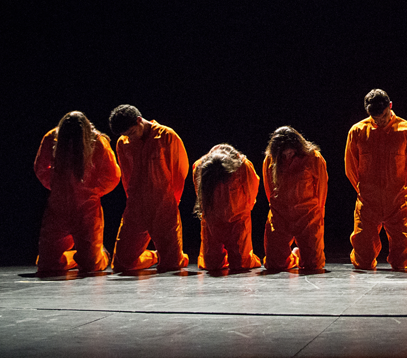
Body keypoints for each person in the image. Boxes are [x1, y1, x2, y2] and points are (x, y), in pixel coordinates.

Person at [345, 89, 407, 270]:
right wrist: (363, 192)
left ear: (390, 106)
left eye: (382, 116)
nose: (379, 121)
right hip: (368, 202)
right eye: (374, 117)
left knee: (403, 261)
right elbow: (350, 168)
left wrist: (405, 196)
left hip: (397, 202)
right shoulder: (357, 131)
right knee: (362, 259)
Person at [34, 111, 121, 273]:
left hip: (87, 211)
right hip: (57, 210)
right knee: (47, 265)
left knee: (91, 266)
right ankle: (82, 255)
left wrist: (92, 192)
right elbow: (40, 168)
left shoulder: (97, 141)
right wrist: (57, 186)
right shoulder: (52, 138)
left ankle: (100, 254)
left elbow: (112, 174)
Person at [108, 104, 190, 272]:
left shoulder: (166, 136)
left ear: (139, 120)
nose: (130, 138)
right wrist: (133, 200)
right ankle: (155, 256)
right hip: (136, 207)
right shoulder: (123, 143)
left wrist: (170, 202)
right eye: (125, 135)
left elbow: (179, 171)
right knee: (121, 264)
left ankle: (176, 256)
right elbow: (126, 175)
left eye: (131, 132)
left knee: (171, 265)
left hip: (163, 206)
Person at [263, 126, 328, 272]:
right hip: (280, 215)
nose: (287, 156)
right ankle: (294, 256)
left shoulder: (313, 158)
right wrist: (276, 209)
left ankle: (300, 253)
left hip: (307, 215)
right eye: (284, 154)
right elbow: (269, 188)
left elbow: (322, 188)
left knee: (313, 264)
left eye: (290, 153)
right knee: (274, 264)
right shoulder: (270, 159)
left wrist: (318, 213)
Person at [193, 144, 262, 271]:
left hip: (237, 220)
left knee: (241, 263)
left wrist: (242, 211)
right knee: (211, 265)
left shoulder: (243, 166)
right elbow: (200, 194)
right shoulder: (200, 167)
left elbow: (252, 190)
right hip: (212, 221)